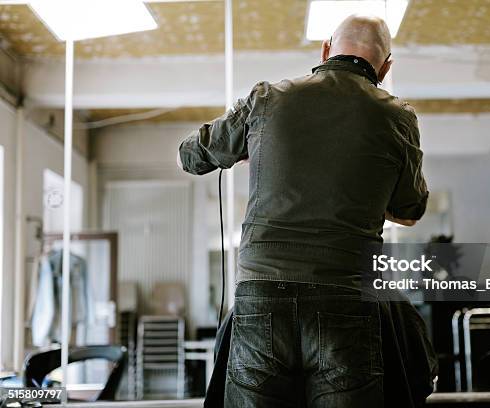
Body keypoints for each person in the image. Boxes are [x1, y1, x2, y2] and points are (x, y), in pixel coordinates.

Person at [178, 14, 429, 407]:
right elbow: (410, 209)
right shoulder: (398, 117)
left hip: (263, 300)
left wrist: (253, 146)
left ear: (326, 49)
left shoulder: (268, 98)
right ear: (386, 66)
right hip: (346, 300)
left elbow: (191, 156)